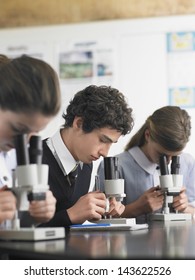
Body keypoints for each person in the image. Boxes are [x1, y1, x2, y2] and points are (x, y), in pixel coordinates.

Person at [38, 85, 134, 227]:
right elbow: (16, 231)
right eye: (102, 140)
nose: (105, 153)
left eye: (111, 144)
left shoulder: (86, 164)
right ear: (79, 123)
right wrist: (71, 215)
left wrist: (98, 210)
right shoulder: (30, 160)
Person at [98, 106, 195, 223]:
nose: (169, 162)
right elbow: (102, 218)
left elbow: (192, 210)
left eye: (174, 157)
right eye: (162, 155)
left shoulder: (187, 163)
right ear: (147, 135)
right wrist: (137, 208)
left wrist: (185, 207)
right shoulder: (116, 166)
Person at [0, 54, 61, 226]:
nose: (25, 142)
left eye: (34, 133)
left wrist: (38, 211)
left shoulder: (11, 153)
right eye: (18, 130)